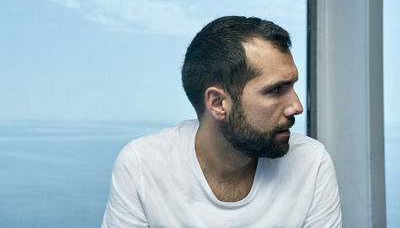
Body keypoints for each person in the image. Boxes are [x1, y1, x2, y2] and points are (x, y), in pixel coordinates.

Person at [102, 16, 342, 227]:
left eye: (292, 85)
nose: (296, 107)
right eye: (275, 90)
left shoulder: (311, 163)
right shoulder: (142, 165)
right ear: (217, 103)